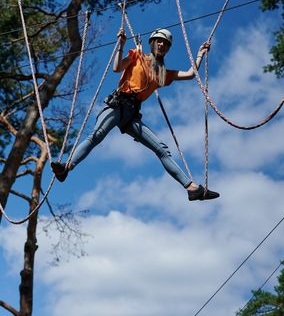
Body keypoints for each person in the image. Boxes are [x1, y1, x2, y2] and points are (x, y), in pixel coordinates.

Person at [51, 27, 220, 201]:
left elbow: (190, 74)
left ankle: (192, 188)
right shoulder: (137, 56)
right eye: (159, 41)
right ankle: (67, 168)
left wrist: (200, 54)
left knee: (161, 149)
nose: (162, 45)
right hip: (117, 105)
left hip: (132, 115)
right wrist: (121, 46)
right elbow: (117, 68)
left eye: (166, 44)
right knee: (96, 136)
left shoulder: (162, 74)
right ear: (153, 43)